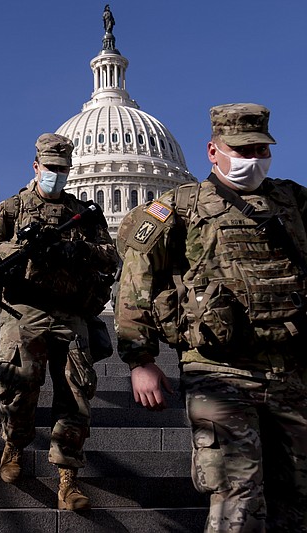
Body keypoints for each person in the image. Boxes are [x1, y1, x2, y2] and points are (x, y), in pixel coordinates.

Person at [115, 103, 307, 532]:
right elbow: (136, 280)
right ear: (212, 151)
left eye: (260, 149)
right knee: (236, 490)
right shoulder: (179, 206)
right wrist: (140, 359)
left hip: (291, 368)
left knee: (297, 494)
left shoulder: (292, 202)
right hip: (218, 367)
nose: (252, 159)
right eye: (241, 150)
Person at [0, 133, 118, 511]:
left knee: (76, 396)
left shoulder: (83, 215)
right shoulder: (10, 210)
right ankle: (14, 445)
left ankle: (68, 478)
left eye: (63, 169)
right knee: (17, 388)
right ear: (36, 167)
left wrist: (76, 248)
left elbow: (110, 258)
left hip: (71, 312)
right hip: (25, 311)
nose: (57, 174)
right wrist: (13, 255)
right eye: (51, 168)